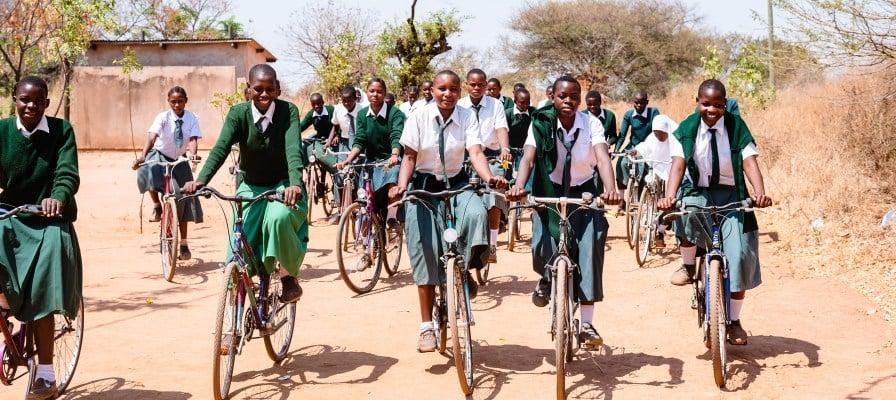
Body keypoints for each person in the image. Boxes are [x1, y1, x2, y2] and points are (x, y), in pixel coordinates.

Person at [394, 70, 506, 352]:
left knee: (478, 213)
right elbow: (409, 156)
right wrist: (401, 186)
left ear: (460, 92)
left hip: (456, 182)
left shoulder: (467, 116)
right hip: (423, 185)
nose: (448, 94)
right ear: (432, 90)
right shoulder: (418, 116)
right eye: (442, 89)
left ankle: (464, 269)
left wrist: (489, 177)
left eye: (454, 89)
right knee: (424, 250)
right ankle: (426, 327)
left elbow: (476, 153)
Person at [507, 75, 621, 348]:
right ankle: (547, 277)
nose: (568, 101)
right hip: (550, 188)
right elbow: (529, 157)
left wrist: (611, 188)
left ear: (580, 100)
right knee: (542, 242)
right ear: (553, 98)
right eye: (562, 96)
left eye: (573, 97)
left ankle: (588, 322)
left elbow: (602, 156)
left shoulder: (591, 123)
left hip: (582, 191)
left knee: (591, 243)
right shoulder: (541, 123)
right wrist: (519, 186)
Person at [657, 79, 773, 345]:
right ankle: (688, 266)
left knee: (741, 253)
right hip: (699, 190)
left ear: (725, 104)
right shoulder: (686, 129)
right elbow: (678, 164)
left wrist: (759, 192)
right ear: (697, 102)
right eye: (706, 104)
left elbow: (749, 161)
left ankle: (733, 321)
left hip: (732, 193)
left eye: (718, 105)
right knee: (685, 213)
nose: (712, 110)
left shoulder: (735, 126)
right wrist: (670, 196)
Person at [183, 64, 307, 304]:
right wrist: (200, 180)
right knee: (238, 246)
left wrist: (294, 183)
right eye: (258, 89)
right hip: (251, 185)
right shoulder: (238, 114)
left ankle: (287, 276)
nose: (264, 94)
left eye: (269, 89)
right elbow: (221, 148)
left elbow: (293, 149)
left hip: (283, 184)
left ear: (278, 90)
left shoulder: (288, 111)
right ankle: (235, 312)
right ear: (248, 89)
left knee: (278, 219)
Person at [0, 76, 82, 399]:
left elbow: (67, 172)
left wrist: (58, 197)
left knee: (47, 272)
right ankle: (7, 301)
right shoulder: (3, 132)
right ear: (15, 101)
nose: (30, 106)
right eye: (24, 100)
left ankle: (46, 373)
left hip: (50, 216)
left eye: (38, 101)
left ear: (47, 103)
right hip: (11, 213)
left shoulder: (62, 132)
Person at [131, 86, 204, 260]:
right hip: (161, 154)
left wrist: (192, 154)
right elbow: (152, 137)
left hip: (179, 159)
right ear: (168, 101)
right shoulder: (163, 117)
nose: (177, 105)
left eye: (180, 101)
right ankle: (157, 205)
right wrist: (142, 156)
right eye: (173, 102)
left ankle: (184, 243)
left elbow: (193, 139)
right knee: (147, 170)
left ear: (186, 100)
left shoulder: (192, 118)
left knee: (186, 196)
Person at [458, 68, 512, 263]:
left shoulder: (495, 105)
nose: (476, 88)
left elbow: (501, 129)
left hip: (491, 156)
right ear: (466, 85)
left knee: (494, 193)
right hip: (465, 156)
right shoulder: (459, 105)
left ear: (486, 85)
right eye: (472, 84)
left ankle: (492, 245)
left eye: (481, 85)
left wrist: (505, 148)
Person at [334, 78, 405, 225]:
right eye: (372, 91)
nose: (375, 94)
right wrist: (348, 160)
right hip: (371, 161)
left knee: (394, 174)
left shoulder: (395, 113)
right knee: (365, 197)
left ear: (385, 93)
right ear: (367, 93)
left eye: (379, 92)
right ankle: (367, 224)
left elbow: (396, 135)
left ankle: (392, 218)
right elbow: (360, 140)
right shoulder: (362, 115)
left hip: (388, 161)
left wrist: (394, 154)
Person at [630, 114, 680, 248]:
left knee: (671, 202)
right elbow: (645, 146)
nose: (658, 136)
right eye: (656, 133)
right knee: (650, 184)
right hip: (658, 167)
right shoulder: (653, 137)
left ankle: (661, 229)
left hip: (673, 171)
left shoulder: (676, 137)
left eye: (661, 134)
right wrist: (636, 151)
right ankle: (647, 211)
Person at [615, 90, 661, 211]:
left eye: (642, 103)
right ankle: (622, 198)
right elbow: (622, 136)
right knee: (621, 164)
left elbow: (657, 131)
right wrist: (616, 151)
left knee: (644, 169)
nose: (639, 106)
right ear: (633, 102)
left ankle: (642, 199)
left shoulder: (653, 113)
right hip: (633, 146)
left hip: (649, 145)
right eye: (636, 103)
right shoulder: (629, 115)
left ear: (647, 102)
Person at [505, 88, 535, 178]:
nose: (525, 105)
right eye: (522, 102)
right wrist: (506, 150)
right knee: (505, 170)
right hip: (509, 150)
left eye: (528, 102)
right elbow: (503, 134)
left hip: (526, 151)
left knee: (524, 173)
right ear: (515, 101)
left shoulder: (534, 113)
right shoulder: (508, 114)